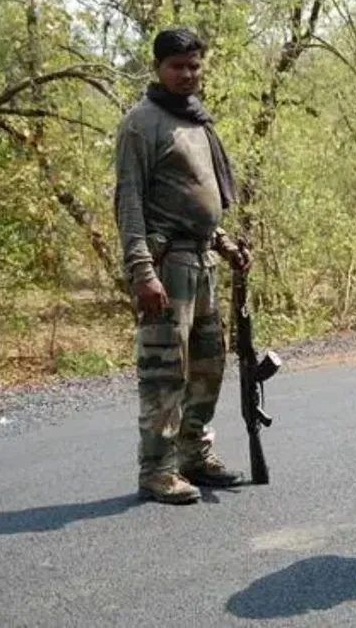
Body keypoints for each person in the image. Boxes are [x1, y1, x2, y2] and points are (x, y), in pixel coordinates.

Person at [113, 28, 251, 505]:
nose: (187, 74)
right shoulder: (141, 124)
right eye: (177, 66)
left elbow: (197, 199)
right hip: (166, 264)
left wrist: (225, 244)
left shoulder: (196, 121)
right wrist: (142, 272)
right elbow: (129, 202)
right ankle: (157, 470)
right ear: (158, 68)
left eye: (194, 65)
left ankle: (193, 455)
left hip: (203, 259)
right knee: (164, 370)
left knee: (209, 365)